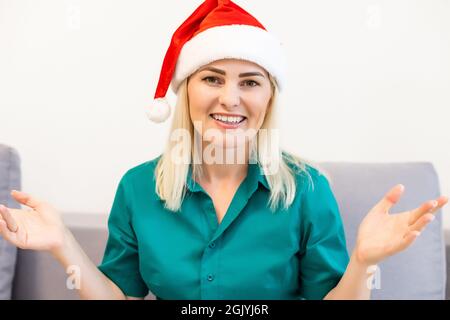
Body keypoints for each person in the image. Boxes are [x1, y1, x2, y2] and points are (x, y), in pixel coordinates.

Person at [0, 0, 448, 300]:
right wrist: (63, 246)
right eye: (212, 78)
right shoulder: (138, 187)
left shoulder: (307, 190)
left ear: (268, 99)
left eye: (249, 82)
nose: (230, 99)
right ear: (187, 90)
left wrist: (364, 264)